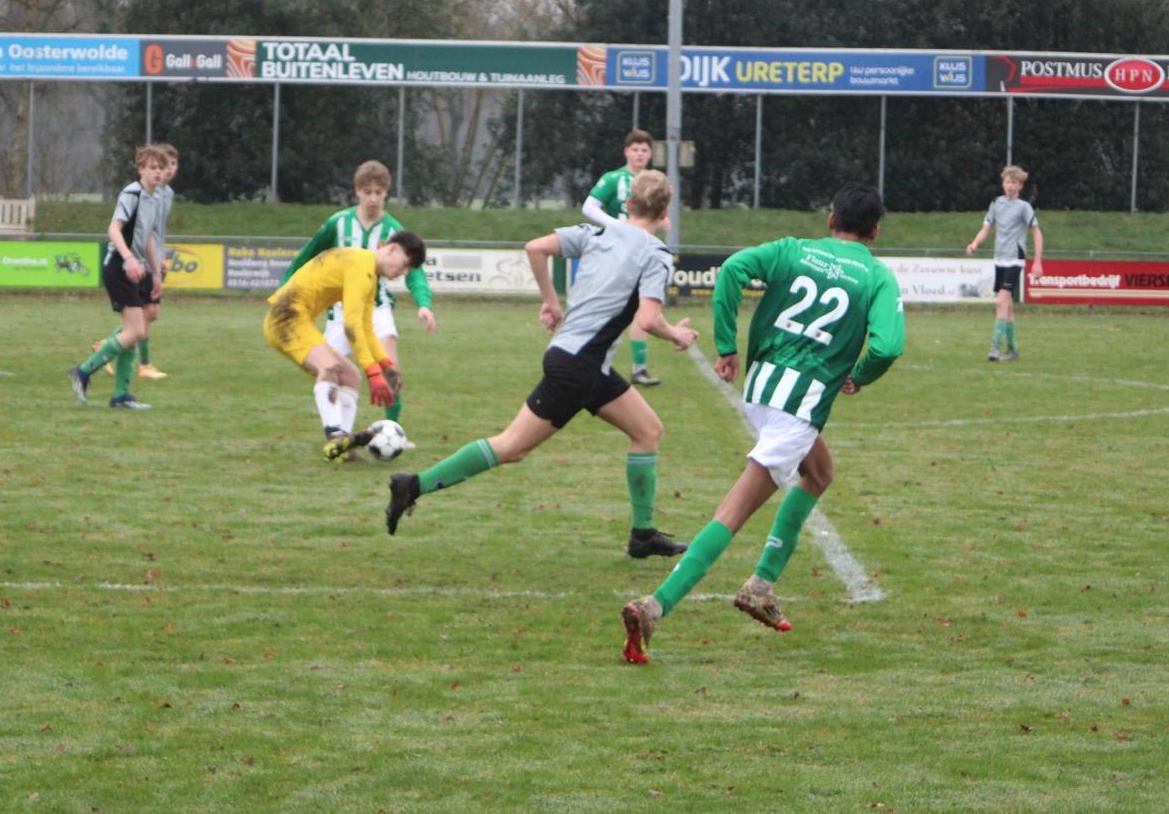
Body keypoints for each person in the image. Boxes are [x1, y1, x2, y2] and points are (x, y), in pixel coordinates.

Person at [620, 184, 905, 665]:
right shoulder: (877, 276)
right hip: (798, 405)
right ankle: (655, 605)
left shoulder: (793, 249)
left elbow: (733, 269)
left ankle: (761, 585)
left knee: (819, 473)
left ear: (830, 220)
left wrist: (727, 345)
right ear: (875, 231)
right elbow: (888, 346)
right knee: (733, 514)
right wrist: (860, 375)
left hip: (761, 387)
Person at [386, 170, 699, 560]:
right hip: (580, 367)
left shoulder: (597, 232)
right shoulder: (655, 254)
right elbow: (649, 320)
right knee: (511, 447)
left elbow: (535, 247)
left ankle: (643, 535)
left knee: (648, 430)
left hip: (577, 359)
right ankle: (413, 485)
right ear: (665, 212)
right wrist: (676, 334)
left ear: (628, 204)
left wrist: (551, 301)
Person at [281, 160, 436, 435]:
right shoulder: (337, 223)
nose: (373, 198)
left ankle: (393, 432)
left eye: (379, 192)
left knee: (390, 370)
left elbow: (414, 272)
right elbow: (306, 257)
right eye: (367, 192)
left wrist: (423, 304)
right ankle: (338, 432)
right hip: (340, 312)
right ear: (357, 191)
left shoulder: (393, 230)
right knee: (332, 371)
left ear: (386, 193)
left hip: (377, 309)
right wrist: (284, 291)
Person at [265, 230, 427, 462]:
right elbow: (351, 326)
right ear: (392, 249)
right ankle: (334, 436)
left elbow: (366, 327)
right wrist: (373, 373)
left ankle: (344, 449)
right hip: (285, 318)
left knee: (351, 376)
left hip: (299, 319)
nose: (403, 273)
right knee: (329, 367)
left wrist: (385, 365)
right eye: (404, 265)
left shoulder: (369, 274)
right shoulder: (360, 264)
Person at [67, 145, 170, 410]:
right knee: (136, 331)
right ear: (141, 169)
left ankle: (121, 395)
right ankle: (83, 372)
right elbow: (113, 229)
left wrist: (156, 274)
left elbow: (148, 238)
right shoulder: (131, 194)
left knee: (132, 332)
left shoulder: (155, 197)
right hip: (118, 267)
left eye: (161, 168)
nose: (158, 172)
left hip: (136, 269)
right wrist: (128, 258)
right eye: (153, 168)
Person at [584, 129, 661, 386]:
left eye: (644, 150)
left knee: (640, 309)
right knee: (611, 309)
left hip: (641, 253)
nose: (640, 154)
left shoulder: (654, 182)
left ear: (650, 154)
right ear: (626, 152)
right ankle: (591, 359)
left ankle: (639, 369)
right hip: (616, 253)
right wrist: (616, 225)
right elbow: (589, 206)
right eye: (635, 149)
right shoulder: (613, 178)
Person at [94, 142, 177, 380]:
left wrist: (160, 258)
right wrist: (133, 258)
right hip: (134, 262)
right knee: (143, 316)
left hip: (148, 261)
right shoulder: (138, 193)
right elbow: (121, 228)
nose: (167, 170)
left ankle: (115, 355)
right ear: (143, 169)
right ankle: (136, 362)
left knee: (149, 313)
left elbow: (155, 231)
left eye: (172, 164)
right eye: (160, 166)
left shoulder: (165, 194)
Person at [965, 164, 1043, 361]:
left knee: (1001, 301)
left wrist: (1037, 262)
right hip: (999, 259)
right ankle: (1013, 350)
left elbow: (1036, 233)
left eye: (1014, 183)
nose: (1010, 186)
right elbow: (986, 228)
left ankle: (994, 348)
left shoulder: (1024, 207)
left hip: (1015, 259)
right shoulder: (996, 203)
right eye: (1008, 182)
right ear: (1003, 183)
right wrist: (975, 243)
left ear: (1020, 186)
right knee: (1006, 305)